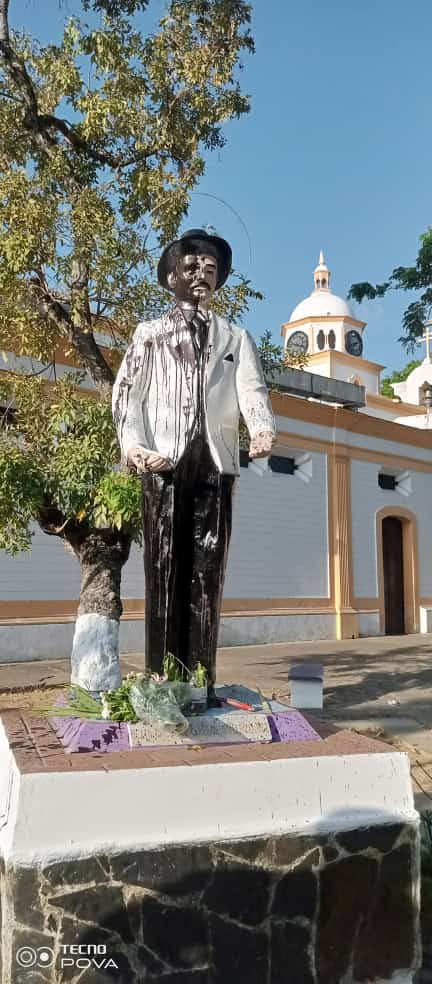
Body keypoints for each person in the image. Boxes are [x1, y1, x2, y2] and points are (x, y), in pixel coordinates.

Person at [112, 229, 276, 700]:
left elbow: (251, 389)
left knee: (208, 571)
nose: (201, 276)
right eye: (191, 267)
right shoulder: (149, 334)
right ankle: (162, 682)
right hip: (163, 460)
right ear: (170, 278)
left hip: (215, 462)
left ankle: (200, 683)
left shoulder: (235, 337)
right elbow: (127, 396)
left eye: (210, 269)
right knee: (163, 568)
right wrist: (134, 445)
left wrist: (260, 427)